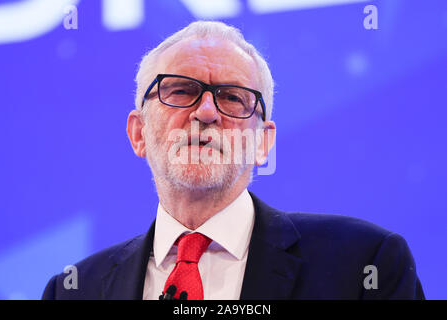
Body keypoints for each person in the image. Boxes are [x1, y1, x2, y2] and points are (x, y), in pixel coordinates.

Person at [42, 21, 424, 300]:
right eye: (180, 90)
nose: (206, 112)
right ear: (138, 133)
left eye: (232, 97)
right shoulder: (75, 291)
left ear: (263, 142)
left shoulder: (362, 264)